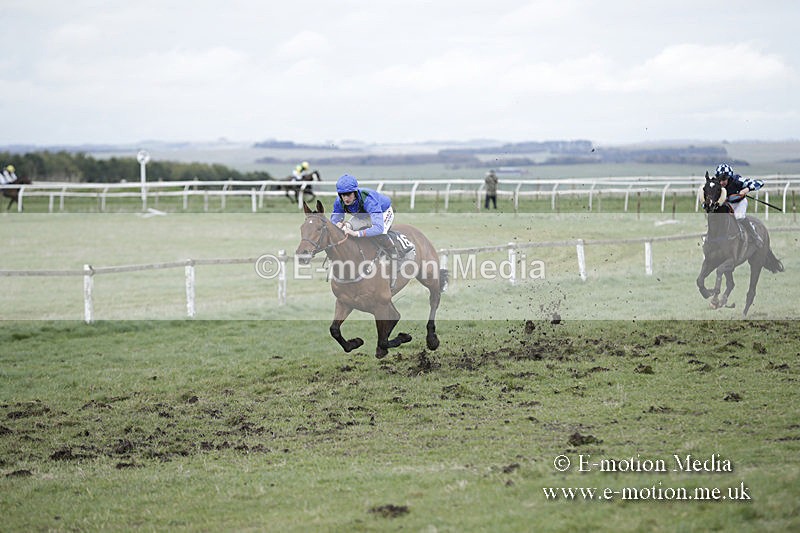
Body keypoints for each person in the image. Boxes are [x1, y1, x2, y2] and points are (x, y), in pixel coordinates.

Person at [331, 174, 402, 285]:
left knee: (380, 233)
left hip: (383, 212)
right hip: (363, 215)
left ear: (355, 192)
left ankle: (395, 257)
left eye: (348, 194)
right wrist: (338, 224)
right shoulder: (339, 201)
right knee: (346, 228)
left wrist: (356, 233)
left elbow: (378, 228)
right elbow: (334, 222)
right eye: (342, 195)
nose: (345, 198)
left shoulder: (368, 200)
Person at [714, 163, 764, 247]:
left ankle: (754, 236)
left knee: (739, 217)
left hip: (739, 203)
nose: (721, 182)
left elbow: (760, 182)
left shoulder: (737, 180)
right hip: (727, 204)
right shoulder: (715, 183)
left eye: (724, 179)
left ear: (729, 177)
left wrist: (746, 189)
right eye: (719, 179)